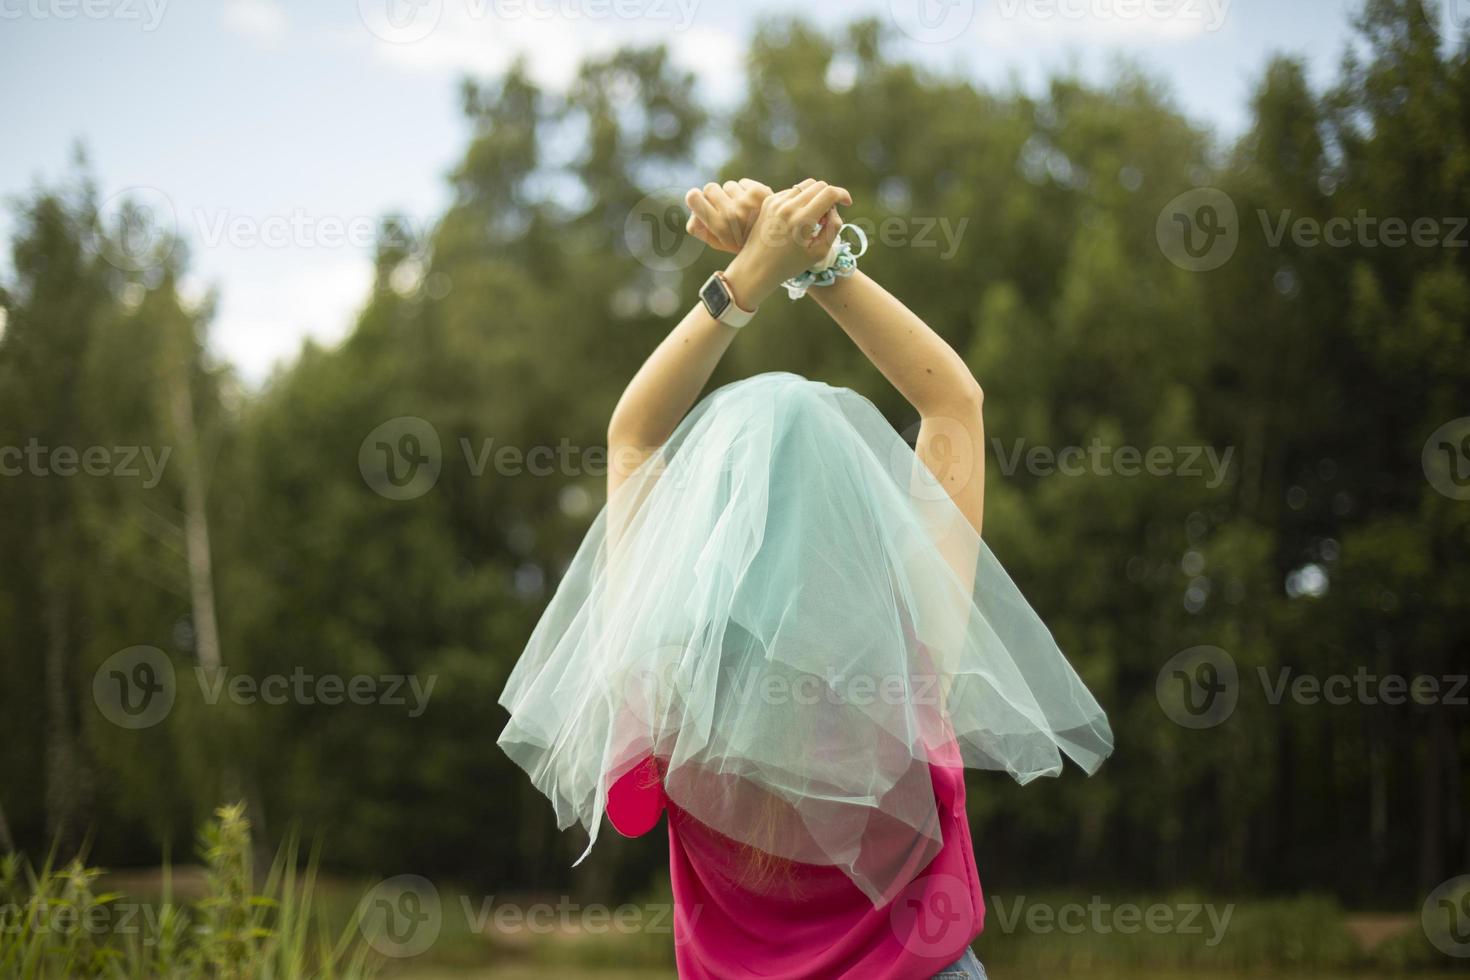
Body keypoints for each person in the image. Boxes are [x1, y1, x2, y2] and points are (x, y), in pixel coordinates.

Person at [498, 178, 1112, 979]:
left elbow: (634, 436)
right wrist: (818, 260)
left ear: (706, 526)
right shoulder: (912, 646)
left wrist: (745, 277)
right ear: (857, 517)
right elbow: (953, 403)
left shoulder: (664, 683)